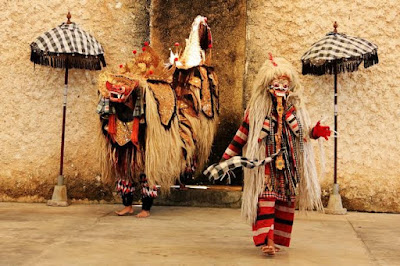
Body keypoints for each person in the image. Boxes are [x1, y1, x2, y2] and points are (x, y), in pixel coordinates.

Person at [205, 54, 330, 255]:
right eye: (276, 83)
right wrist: (226, 160)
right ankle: (268, 240)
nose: (280, 88)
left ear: (290, 86)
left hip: (288, 166)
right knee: (266, 200)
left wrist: (315, 132)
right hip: (264, 166)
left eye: (284, 84)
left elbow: (303, 134)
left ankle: (276, 239)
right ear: (268, 86)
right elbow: (242, 135)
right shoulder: (256, 111)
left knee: (284, 201)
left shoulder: (295, 110)